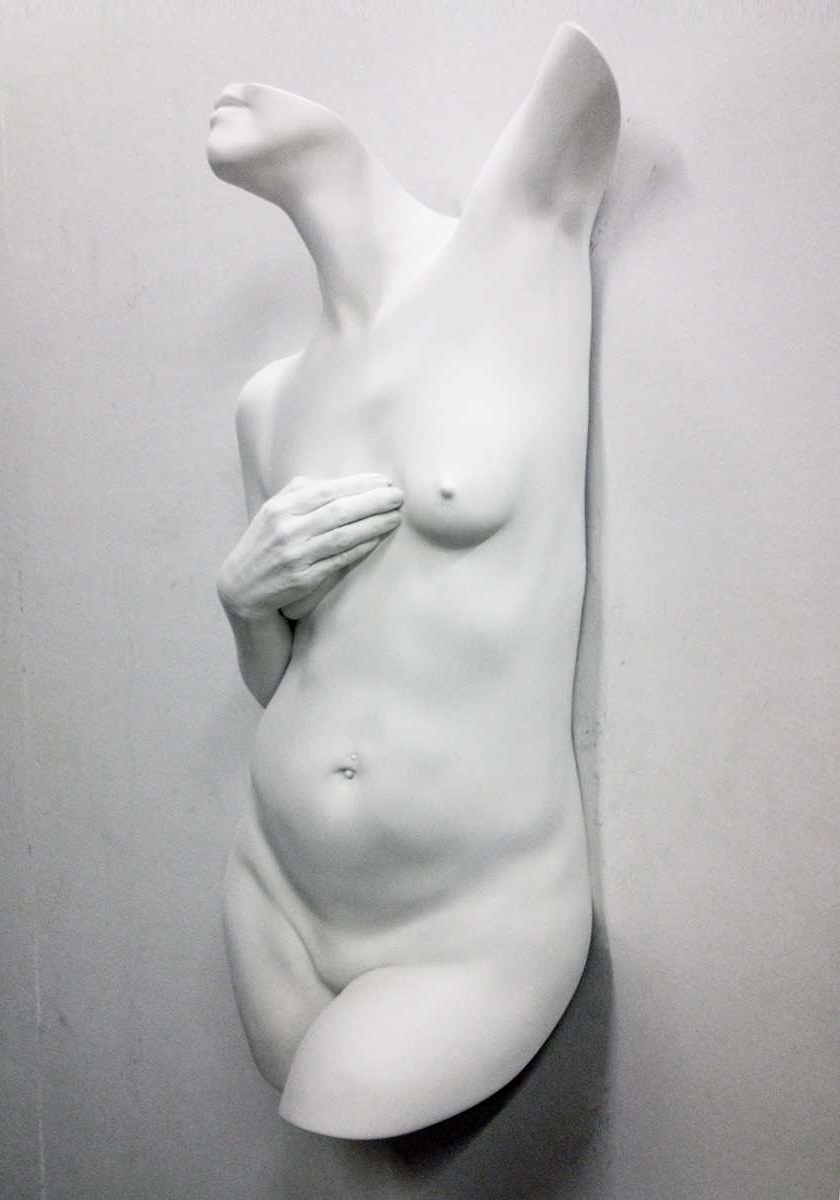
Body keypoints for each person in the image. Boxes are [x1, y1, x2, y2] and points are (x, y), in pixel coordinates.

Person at [206, 23, 619, 1139]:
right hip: (274, 888)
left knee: (339, 1105)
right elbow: (286, 676)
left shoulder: (509, 261)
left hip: (475, 919)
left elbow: (584, 93)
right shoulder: (267, 402)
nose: (234, 86)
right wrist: (242, 603)